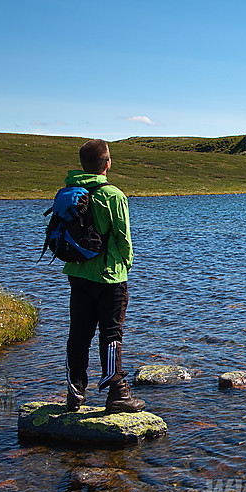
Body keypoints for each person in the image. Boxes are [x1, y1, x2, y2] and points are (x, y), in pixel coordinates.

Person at [63, 139, 145, 413]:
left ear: (82, 164)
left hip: (77, 273)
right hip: (110, 277)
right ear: (107, 163)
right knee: (111, 334)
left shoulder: (70, 190)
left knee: (79, 333)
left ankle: (75, 393)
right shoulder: (114, 195)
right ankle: (117, 394)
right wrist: (126, 266)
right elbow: (124, 240)